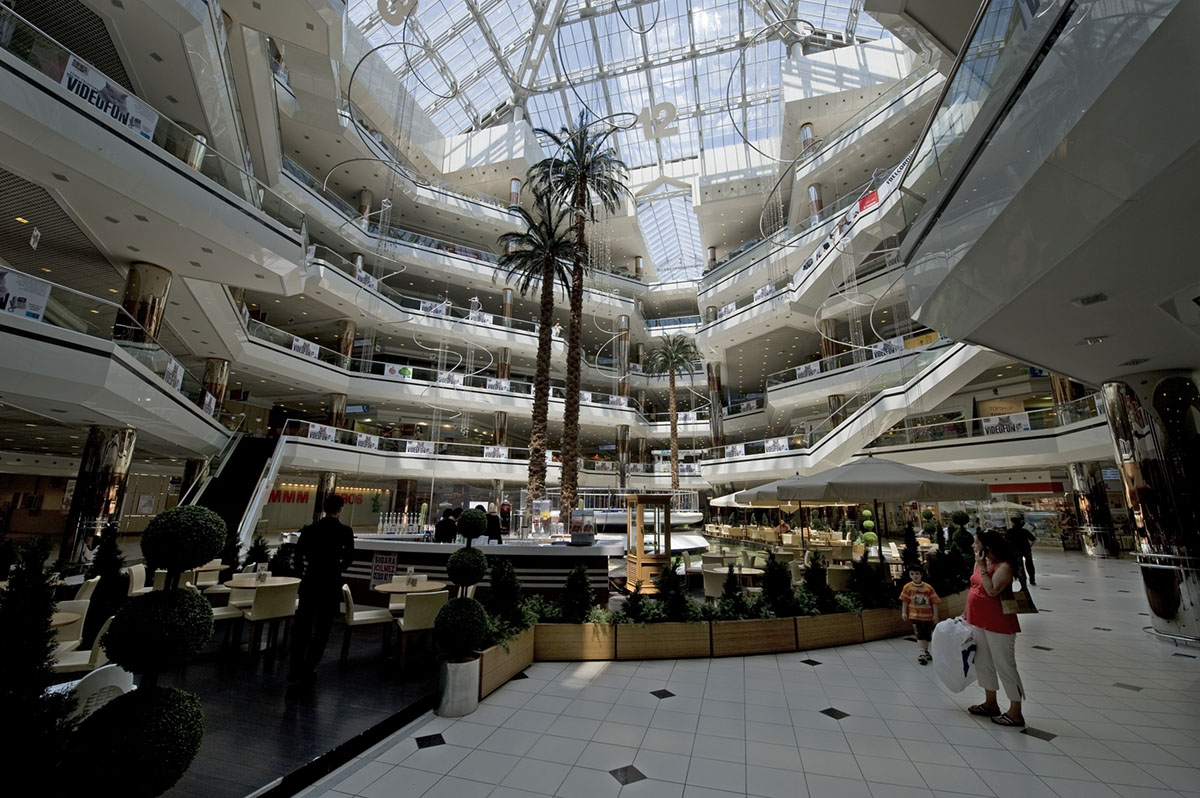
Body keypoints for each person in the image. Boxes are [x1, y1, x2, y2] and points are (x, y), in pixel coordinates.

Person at [288, 494, 355, 687]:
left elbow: (298, 555)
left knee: (303, 625)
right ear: (340, 509)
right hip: (330, 583)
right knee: (323, 628)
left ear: (324, 508)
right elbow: (349, 557)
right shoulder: (345, 531)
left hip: (311, 581)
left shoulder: (310, 530)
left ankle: (295, 667)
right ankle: (310, 666)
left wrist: (302, 574)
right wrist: (337, 569)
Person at [965, 529, 1026, 727]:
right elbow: (973, 587)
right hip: (978, 619)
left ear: (987, 546)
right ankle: (990, 702)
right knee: (983, 661)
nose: (973, 546)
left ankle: (1015, 711)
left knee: (1005, 665)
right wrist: (966, 613)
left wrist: (983, 568)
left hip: (998, 622)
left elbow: (992, 590)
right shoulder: (980, 562)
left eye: (976, 542)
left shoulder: (1004, 566)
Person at [899, 564, 941, 665]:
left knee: (927, 635)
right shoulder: (908, 587)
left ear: (921, 574)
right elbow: (905, 601)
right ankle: (922, 652)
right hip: (915, 616)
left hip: (927, 616)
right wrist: (904, 612)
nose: (915, 576)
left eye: (917, 574)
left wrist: (935, 615)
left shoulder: (928, 588)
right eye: (912, 574)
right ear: (909, 575)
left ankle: (926, 651)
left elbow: (934, 602)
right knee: (919, 634)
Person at [1005, 514, 1038, 585]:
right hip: (1026, 549)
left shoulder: (1010, 531)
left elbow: (1006, 541)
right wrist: (1030, 546)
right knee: (1030, 564)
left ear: (1013, 523)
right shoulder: (1024, 531)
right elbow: (1033, 540)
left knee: (1020, 566)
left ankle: (1022, 581)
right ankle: (1032, 580)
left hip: (1016, 550)